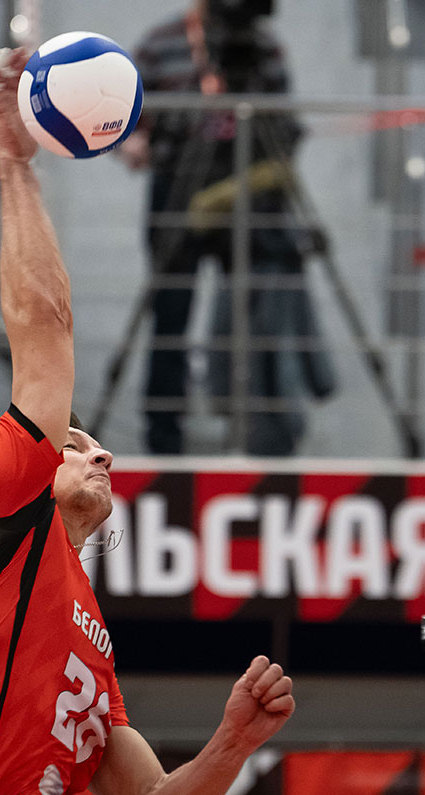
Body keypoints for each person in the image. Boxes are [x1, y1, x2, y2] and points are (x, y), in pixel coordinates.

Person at [0, 46, 295, 795]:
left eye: (101, 449)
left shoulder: (91, 641)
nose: (102, 457)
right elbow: (44, 328)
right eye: (77, 444)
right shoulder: (6, 509)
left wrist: (233, 740)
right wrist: (14, 164)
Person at [120, 0, 333, 457]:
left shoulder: (264, 48)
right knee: (170, 317)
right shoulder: (161, 43)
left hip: (244, 196)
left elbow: (284, 127)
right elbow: (122, 117)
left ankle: (262, 436)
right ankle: (163, 440)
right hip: (177, 191)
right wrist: (131, 142)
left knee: (254, 316)